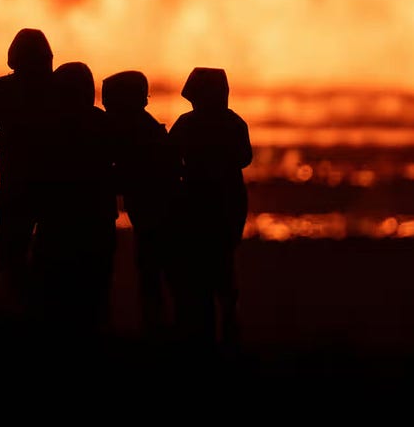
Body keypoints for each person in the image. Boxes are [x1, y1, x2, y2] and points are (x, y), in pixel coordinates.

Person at [31, 61, 121, 332]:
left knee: (54, 290)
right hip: (96, 220)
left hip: (57, 220)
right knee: (94, 291)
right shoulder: (103, 124)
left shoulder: (47, 126)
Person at [0, 28, 56, 306]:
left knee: (11, 256)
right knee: (52, 256)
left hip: (15, 184)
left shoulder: (3, 88)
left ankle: (18, 310)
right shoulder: (59, 89)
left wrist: (5, 138)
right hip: (56, 186)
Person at [169, 66, 251, 348]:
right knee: (223, 270)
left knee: (201, 273)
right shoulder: (235, 123)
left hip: (200, 203)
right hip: (226, 202)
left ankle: (205, 334)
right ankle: (227, 331)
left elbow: (169, 157)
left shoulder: (186, 124)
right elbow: (245, 158)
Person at [103, 70, 179, 338]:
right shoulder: (138, 127)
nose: (106, 109)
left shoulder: (139, 132)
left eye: (110, 102)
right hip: (152, 215)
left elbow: (133, 175)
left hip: (157, 216)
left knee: (156, 275)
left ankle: (159, 333)